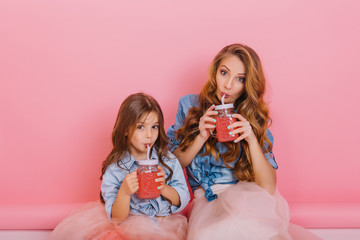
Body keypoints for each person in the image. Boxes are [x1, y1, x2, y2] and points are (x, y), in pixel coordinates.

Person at [167, 43, 322, 240]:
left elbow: (268, 187)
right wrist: (201, 136)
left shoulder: (250, 115)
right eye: (224, 73)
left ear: (247, 85)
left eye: (240, 79)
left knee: (249, 226)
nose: (228, 85)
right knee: (208, 234)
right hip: (207, 199)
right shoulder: (189, 105)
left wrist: (250, 139)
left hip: (247, 195)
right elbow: (173, 164)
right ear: (215, 71)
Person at [48, 93, 191, 240]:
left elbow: (184, 197)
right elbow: (118, 218)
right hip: (128, 228)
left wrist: (162, 187)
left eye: (154, 127)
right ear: (125, 130)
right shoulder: (116, 168)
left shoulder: (168, 161)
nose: (149, 134)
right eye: (141, 127)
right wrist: (124, 192)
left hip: (164, 225)